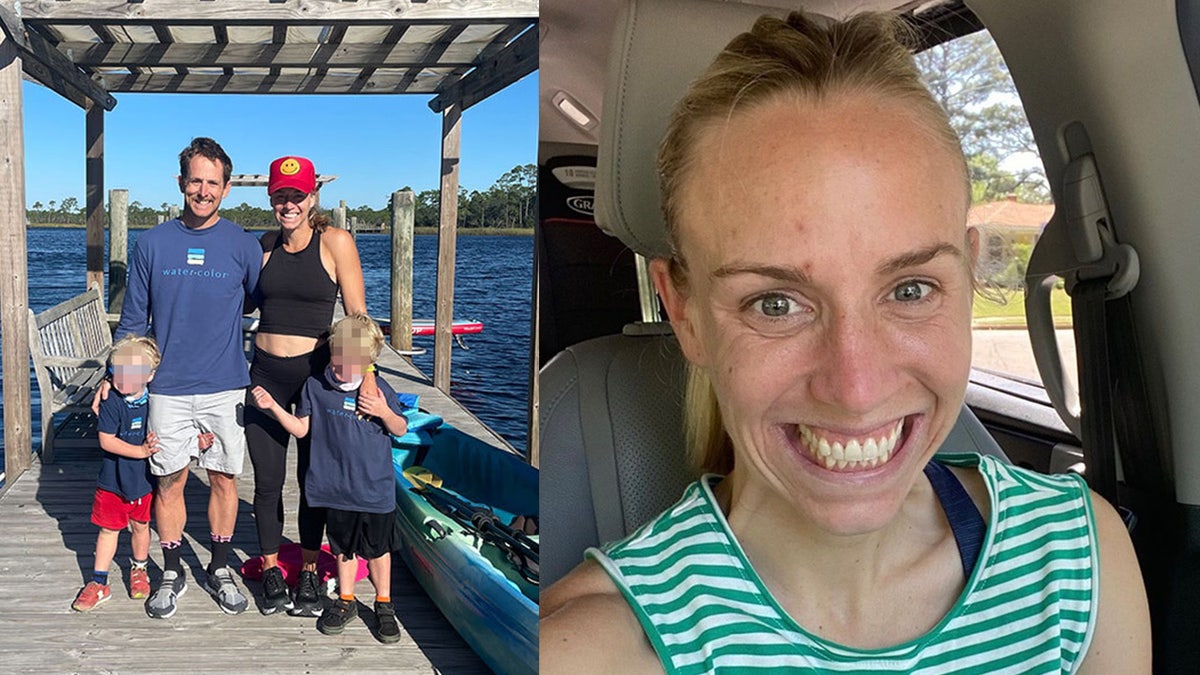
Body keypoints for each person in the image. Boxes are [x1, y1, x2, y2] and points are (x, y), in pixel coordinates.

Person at [541, 11, 1151, 674]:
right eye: (775, 303)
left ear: (970, 275)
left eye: (911, 289)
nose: (856, 389)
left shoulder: (1078, 558)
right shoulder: (597, 642)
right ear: (685, 312)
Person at [102, 137, 263, 619]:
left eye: (213, 182)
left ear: (227, 188)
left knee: (224, 479)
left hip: (226, 384)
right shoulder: (152, 243)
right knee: (169, 480)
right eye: (195, 180)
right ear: (181, 182)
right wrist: (115, 378)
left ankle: (218, 567)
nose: (203, 190)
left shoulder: (243, 245)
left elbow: (259, 304)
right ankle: (171, 569)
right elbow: (133, 320)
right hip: (166, 388)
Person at [244, 154, 370, 616]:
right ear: (271, 199)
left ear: (312, 196)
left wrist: (367, 381)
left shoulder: (336, 241)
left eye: (297, 195)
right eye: (281, 195)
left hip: (317, 378)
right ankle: (275, 569)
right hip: (265, 375)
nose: (289, 203)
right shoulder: (263, 245)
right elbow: (231, 303)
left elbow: (358, 318)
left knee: (313, 481)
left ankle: (313, 573)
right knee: (267, 481)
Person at [250, 313, 408, 643]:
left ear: (368, 361)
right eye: (338, 357)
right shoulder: (316, 386)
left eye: (352, 361)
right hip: (336, 489)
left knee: (378, 550)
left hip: (374, 489)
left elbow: (401, 428)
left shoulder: (379, 390)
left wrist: (383, 411)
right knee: (343, 549)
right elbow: (301, 428)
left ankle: (383, 603)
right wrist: (274, 407)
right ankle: (346, 599)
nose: (342, 366)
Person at [71, 336, 162, 612]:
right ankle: (99, 582)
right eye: (118, 371)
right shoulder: (111, 400)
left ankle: (139, 568)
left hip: (143, 482)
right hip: (112, 482)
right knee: (108, 529)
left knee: (141, 526)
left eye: (133, 372)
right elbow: (106, 440)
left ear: (150, 375)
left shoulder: (157, 399)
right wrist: (142, 452)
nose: (124, 378)